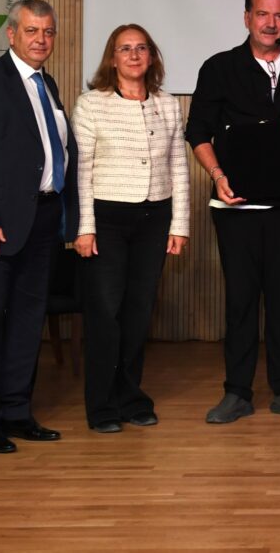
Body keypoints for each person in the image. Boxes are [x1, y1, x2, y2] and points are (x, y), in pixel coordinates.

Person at [185, 0, 280, 424]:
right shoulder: (219, 67)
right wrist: (217, 176)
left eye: (279, 15)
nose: (271, 23)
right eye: (262, 14)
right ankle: (237, 392)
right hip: (234, 206)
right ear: (247, 17)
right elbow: (198, 132)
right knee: (240, 300)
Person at [0, 0, 77, 453]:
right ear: (11, 34)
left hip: (41, 222)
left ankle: (16, 412)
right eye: (31, 31)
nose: (41, 40)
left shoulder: (48, 84)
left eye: (48, 31)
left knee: (27, 325)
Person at [72, 24, 190, 433]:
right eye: (125, 49)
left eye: (141, 48)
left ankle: (130, 398)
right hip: (105, 219)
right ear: (112, 57)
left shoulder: (168, 105)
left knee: (139, 313)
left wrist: (180, 225)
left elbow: (179, 167)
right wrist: (84, 228)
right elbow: (81, 171)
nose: (134, 55)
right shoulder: (91, 104)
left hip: (154, 219)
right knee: (106, 313)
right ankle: (101, 405)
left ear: (152, 56)